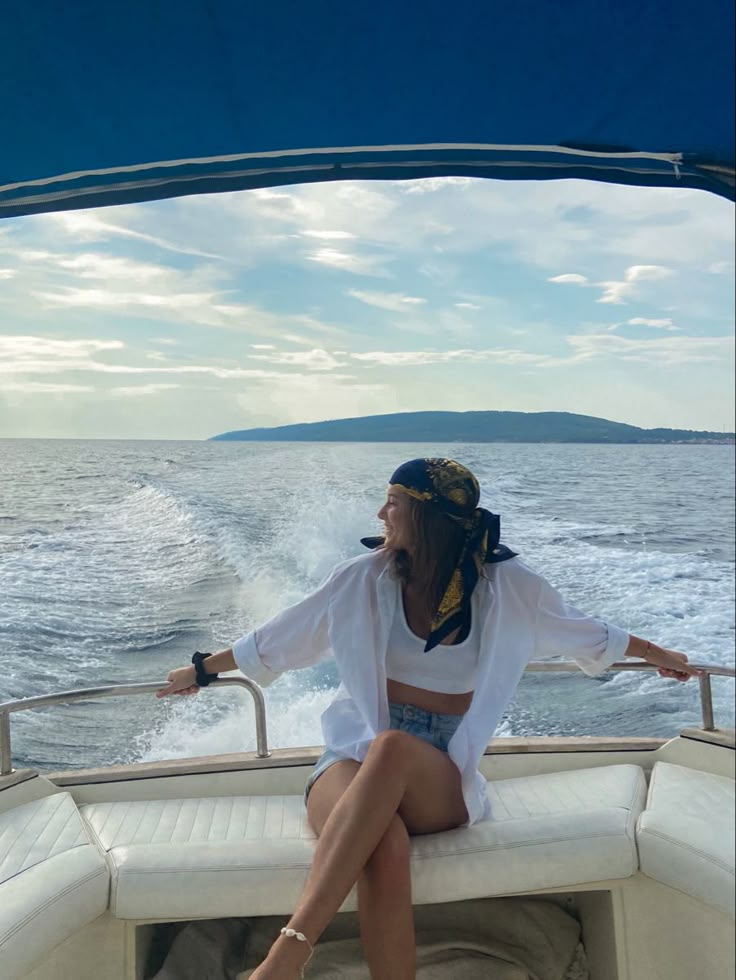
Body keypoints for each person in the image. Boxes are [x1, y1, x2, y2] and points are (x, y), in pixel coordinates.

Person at [157, 458, 699, 980]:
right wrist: (201, 669)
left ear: (423, 514)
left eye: (391, 502)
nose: (379, 514)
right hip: (349, 755)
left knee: (392, 748)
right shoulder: (360, 580)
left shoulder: (509, 587)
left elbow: (587, 632)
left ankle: (285, 957)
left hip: (438, 770)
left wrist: (661, 655)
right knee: (383, 843)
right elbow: (280, 636)